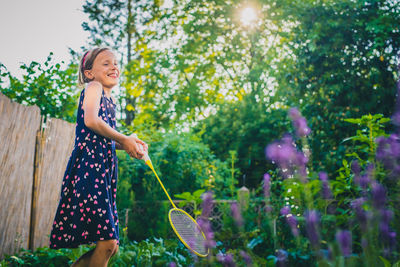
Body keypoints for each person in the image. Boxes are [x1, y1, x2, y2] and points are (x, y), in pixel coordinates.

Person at [49, 47, 147, 267]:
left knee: (111, 247)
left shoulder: (111, 101)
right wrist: (125, 138)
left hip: (102, 175)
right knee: (108, 243)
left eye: (115, 62)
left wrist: (131, 145)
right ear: (89, 73)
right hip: (89, 172)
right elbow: (91, 122)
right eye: (105, 63)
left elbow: (103, 139)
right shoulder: (93, 87)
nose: (113, 66)